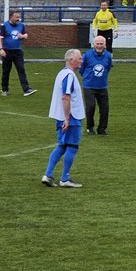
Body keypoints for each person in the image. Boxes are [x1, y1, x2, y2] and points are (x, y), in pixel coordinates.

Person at [42, 49, 87, 188]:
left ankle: (48, 175)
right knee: (72, 147)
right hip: (70, 117)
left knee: (61, 146)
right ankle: (65, 178)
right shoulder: (69, 76)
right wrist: (67, 119)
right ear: (71, 60)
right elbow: (65, 97)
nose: (81, 60)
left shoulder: (61, 73)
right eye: (79, 58)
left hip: (62, 117)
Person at [0, 10, 35, 97]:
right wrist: (1, 49)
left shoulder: (21, 25)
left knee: (21, 70)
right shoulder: (4, 26)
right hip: (7, 52)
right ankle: (4, 89)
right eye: (16, 17)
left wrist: (23, 36)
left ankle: (26, 89)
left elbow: (26, 35)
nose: (18, 19)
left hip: (18, 51)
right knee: (6, 71)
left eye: (19, 17)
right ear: (11, 17)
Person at [80, 35, 113, 136]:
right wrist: (87, 78)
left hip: (102, 86)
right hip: (89, 86)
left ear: (105, 45)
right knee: (91, 107)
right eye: (97, 44)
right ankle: (90, 127)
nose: (99, 46)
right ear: (93, 44)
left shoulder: (108, 55)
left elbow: (107, 68)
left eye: (101, 44)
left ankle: (102, 129)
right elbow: (81, 69)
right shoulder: (87, 55)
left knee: (105, 108)